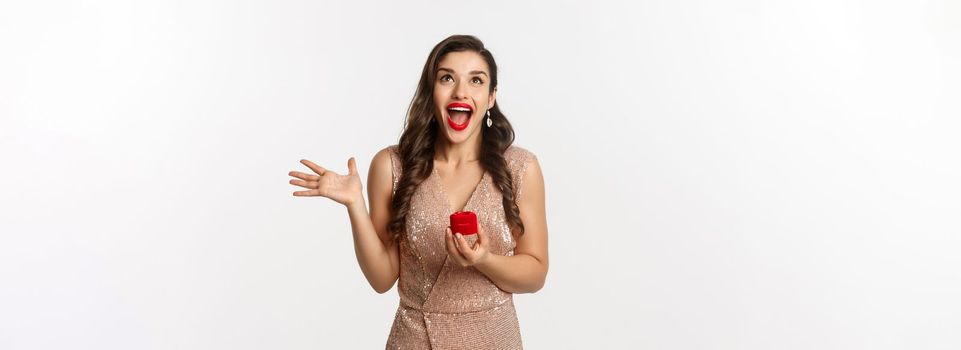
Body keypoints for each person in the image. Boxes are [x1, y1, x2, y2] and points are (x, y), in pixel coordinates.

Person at [288, 34, 548, 349]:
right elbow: (382, 279)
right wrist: (355, 205)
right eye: (447, 78)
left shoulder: (521, 168)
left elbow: (535, 274)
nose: (461, 91)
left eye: (476, 80)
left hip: (494, 339)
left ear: (492, 96)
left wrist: (483, 259)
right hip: (415, 339)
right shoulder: (392, 165)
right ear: (431, 90)